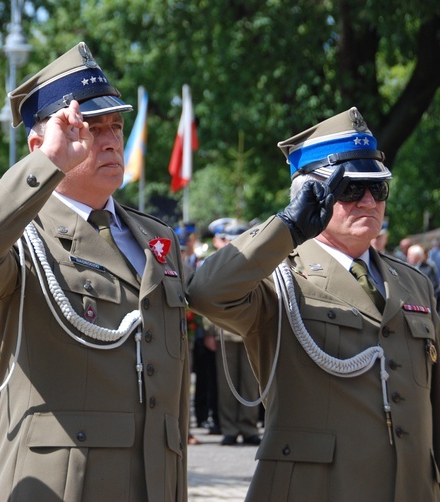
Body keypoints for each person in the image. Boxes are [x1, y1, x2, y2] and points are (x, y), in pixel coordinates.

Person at [0, 42, 190, 501]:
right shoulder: (19, 233)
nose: (111, 138)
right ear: (42, 143)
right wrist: (47, 165)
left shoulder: (157, 239)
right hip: (62, 485)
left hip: (154, 481)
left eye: (116, 124)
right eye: (91, 127)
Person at [186, 107, 440, 501]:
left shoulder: (414, 283)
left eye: (379, 188)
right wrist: (287, 227)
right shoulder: (277, 274)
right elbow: (206, 292)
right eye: (351, 189)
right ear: (311, 195)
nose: (369, 200)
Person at [203, 218, 261, 446]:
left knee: (250, 383)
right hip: (224, 331)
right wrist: (209, 331)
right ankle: (229, 428)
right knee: (227, 385)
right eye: (230, 239)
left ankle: (248, 427)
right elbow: (205, 297)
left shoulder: (255, 261)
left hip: (250, 330)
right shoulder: (217, 262)